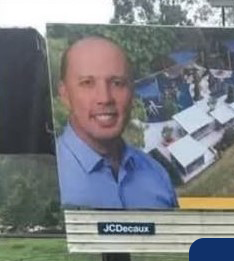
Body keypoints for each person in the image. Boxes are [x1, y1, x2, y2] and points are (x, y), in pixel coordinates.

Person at [55, 35, 178, 210]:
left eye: (117, 83)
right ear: (65, 94)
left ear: (132, 92)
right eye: (87, 83)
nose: (105, 98)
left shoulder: (156, 173)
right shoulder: (43, 178)